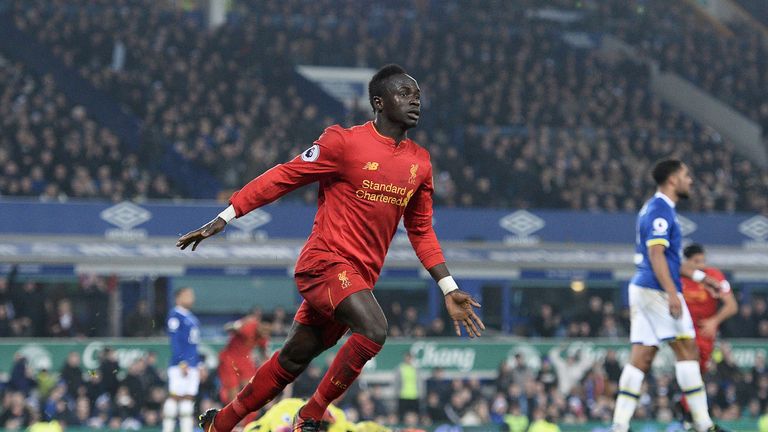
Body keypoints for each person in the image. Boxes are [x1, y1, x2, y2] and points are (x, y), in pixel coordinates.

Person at [176, 64, 485, 432]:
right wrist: (227, 215)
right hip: (324, 264)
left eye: (417, 94)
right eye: (404, 93)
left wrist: (448, 287)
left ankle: (220, 423)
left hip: (357, 280)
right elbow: (284, 176)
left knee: (291, 360)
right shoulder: (343, 142)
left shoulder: (420, 162)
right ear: (379, 102)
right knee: (374, 329)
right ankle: (310, 414)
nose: (414, 100)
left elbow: (420, 230)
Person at [611, 159, 727, 432]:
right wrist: (673, 293)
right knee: (688, 350)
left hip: (642, 288)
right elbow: (656, 255)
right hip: (656, 290)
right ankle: (704, 424)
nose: (691, 180)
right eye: (687, 175)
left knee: (642, 357)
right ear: (673, 179)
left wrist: (700, 277)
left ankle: (619, 425)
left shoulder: (656, 208)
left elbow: (672, 260)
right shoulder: (660, 210)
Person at [678, 243, 738, 428]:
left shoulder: (714, 275)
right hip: (684, 329)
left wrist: (714, 321)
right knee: (692, 368)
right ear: (687, 262)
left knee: (699, 373)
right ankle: (695, 417)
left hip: (706, 331)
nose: (702, 265)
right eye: (697, 261)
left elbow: (732, 305)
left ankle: (687, 410)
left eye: (703, 260)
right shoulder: (678, 274)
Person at [163, 287, 201, 432]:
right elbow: (175, 341)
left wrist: (198, 363)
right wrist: (181, 361)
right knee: (175, 397)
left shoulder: (190, 316)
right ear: (178, 298)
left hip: (192, 363)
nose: (191, 298)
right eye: (187, 295)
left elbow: (193, 344)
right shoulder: (175, 315)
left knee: (188, 399)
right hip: (180, 364)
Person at [218, 308, 271, 404]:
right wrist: (240, 323)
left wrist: (266, 362)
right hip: (229, 359)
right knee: (233, 393)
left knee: (251, 389)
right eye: (264, 329)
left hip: (244, 360)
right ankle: (231, 414)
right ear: (259, 324)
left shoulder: (263, 335)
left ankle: (246, 415)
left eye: (268, 331)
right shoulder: (248, 327)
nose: (265, 333)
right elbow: (227, 328)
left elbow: (263, 351)